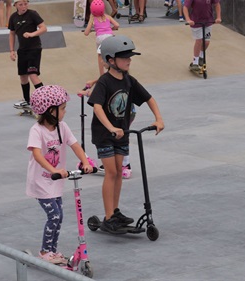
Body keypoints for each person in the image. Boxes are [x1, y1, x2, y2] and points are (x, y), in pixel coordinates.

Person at [87, 35, 165, 234]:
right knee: (111, 172)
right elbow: (97, 107)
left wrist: (158, 118)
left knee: (119, 171)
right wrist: (110, 128)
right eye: (125, 57)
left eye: (130, 57)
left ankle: (115, 211)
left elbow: (149, 98)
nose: (129, 60)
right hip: (105, 134)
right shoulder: (104, 82)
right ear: (111, 60)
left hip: (123, 132)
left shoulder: (129, 81)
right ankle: (107, 217)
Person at [26, 85, 93, 264]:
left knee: (59, 216)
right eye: (62, 109)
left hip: (56, 182)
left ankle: (52, 252)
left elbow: (75, 145)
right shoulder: (37, 130)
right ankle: (44, 251)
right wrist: (54, 170)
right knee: (53, 216)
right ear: (50, 111)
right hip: (41, 182)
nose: (64, 112)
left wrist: (85, 161)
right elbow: (37, 154)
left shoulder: (62, 127)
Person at [78, 78, 135, 179]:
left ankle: (124, 164)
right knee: (121, 135)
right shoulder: (116, 74)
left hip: (120, 111)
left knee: (114, 135)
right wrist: (93, 81)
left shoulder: (111, 76)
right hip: (128, 110)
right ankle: (122, 163)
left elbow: (104, 95)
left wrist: (87, 93)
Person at [8, 0, 47, 108]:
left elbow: (44, 28)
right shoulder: (13, 17)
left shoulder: (32, 14)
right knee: (23, 76)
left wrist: (32, 34)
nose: (23, 6)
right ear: (15, 5)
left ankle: (45, 100)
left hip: (34, 48)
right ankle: (27, 100)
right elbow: (12, 34)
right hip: (22, 50)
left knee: (32, 74)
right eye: (20, 5)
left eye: (25, 4)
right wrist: (12, 50)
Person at [183, 0, 221, 71]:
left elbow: (217, 4)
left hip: (208, 21)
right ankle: (195, 62)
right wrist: (188, 20)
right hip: (196, 22)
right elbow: (185, 7)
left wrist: (218, 17)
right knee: (199, 40)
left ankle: (201, 56)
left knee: (206, 42)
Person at [84, 0, 119, 76]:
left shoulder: (93, 17)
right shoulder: (108, 16)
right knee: (112, 54)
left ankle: (102, 74)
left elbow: (86, 33)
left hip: (100, 38)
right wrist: (112, 28)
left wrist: (90, 28)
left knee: (100, 56)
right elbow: (117, 25)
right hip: (110, 37)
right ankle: (115, 71)